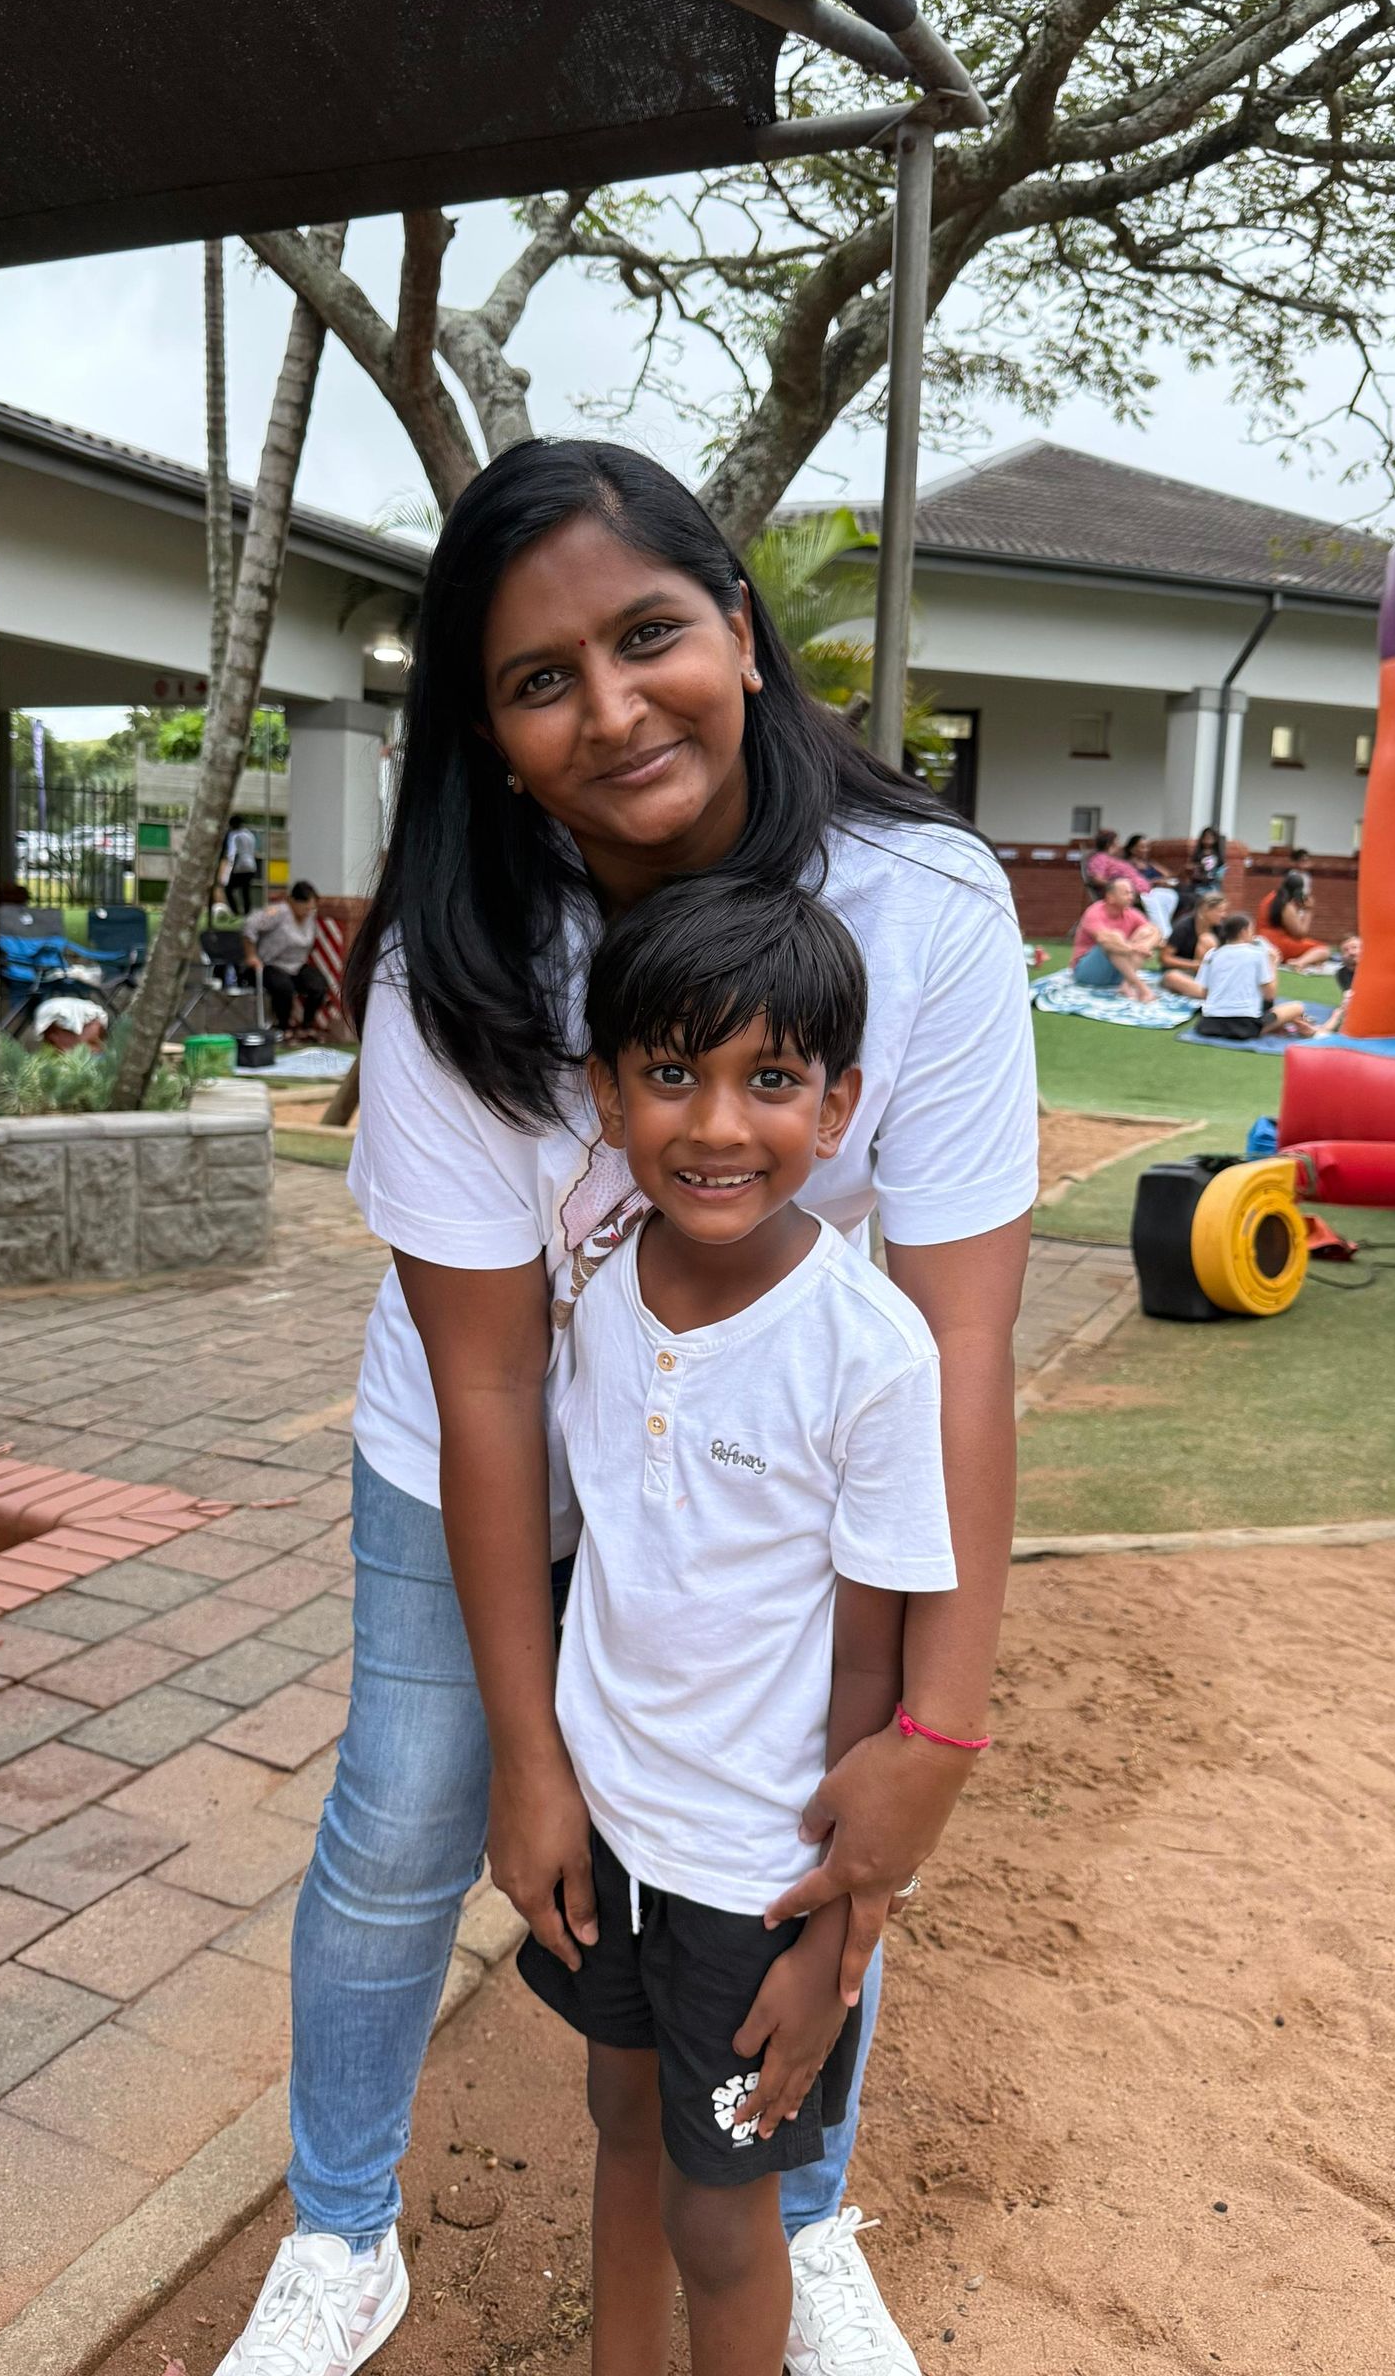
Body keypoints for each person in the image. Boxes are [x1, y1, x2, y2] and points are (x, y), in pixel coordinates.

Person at [214, 439, 1037, 2376]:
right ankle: (341, 2232)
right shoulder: (455, 962)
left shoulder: (920, 903)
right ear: (489, 736)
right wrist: (532, 1748)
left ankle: (796, 2214)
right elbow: (491, 1370)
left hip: (769, 1458)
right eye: (539, 678)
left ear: (740, 632)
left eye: (648, 634)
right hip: (490, 1441)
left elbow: (962, 1341)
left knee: (811, 1819)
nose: (610, 707)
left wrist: (938, 1724)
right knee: (411, 1814)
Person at [521, 877, 962, 2376]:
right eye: (672, 1072)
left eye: (769, 1079)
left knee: (725, 2223)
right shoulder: (598, 1292)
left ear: (836, 1108)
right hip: (614, 1831)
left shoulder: (871, 1354)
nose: (717, 1124)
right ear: (607, 1094)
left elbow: (872, 1663)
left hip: (755, 1884)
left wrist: (835, 1937)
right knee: (619, 2119)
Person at [1190, 911, 1322, 1040]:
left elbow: (1204, 993)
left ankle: (1287, 1024)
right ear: (1243, 931)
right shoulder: (1257, 954)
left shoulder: (1212, 954)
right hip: (1244, 1027)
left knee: (1267, 1011)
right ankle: (1291, 1023)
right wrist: (1273, 964)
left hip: (1208, 1024)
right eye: (1251, 931)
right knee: (1297, 1007)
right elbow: (1270, 995)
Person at [242, 880, 329, 1038]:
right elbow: (250, 925)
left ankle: (307, 1025)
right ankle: (283, 1027)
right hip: (271, 963)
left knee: (318, 986)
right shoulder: (279, 912)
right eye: (305, 907)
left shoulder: (310, 917)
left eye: (311, 908)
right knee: (284, 988)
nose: (308, 912)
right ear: (294, 901)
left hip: (297, 965)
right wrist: (251, 955)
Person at [1071, 873, 1162, 1001]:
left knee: (1147, 931)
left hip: (1119, 972)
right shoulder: (1094, 912)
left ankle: (1126, 985)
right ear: (1110, 897)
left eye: (1131, 893)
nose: (1131, 897)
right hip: (1088, 972)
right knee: (1114, 938)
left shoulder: (1131, 913)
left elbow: (1155, 932)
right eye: (1126, 893)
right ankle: (1142, 988)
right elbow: (1104, 939)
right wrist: (1135, 948)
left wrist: (1145, 946)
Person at [1257, 873, 1340, 972]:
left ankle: (1301, 960)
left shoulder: (1269, 897)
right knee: (1324, 950)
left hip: (1263, 941)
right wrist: (1308, 910)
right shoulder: (1286, 905)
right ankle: (1300, 962)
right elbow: (1300, 934)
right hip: (1278, 945)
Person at [1121, 833, 1180, 935]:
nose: (1146, 850)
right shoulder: (1127, 866)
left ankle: (1164, 929)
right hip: (1144, 893)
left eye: (1147, 847)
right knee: (1153, 899)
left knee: (1172, 895)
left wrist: (1162, 881)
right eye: (1142, 847)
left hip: (1158, 891)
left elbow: (1169, 875)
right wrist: (1153, 882)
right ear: (1132, 849)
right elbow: (1132, 882)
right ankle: (1164, 933)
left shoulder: (1149, 863)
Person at [221, 820, 262, 916]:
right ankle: (247, 913)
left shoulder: (234, 835)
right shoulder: (249, 834)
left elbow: (233, 853)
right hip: (251, 866)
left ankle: (236, 912)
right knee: (245, 890)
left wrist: (229, 871)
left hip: (239, 866)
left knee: (228, 889)